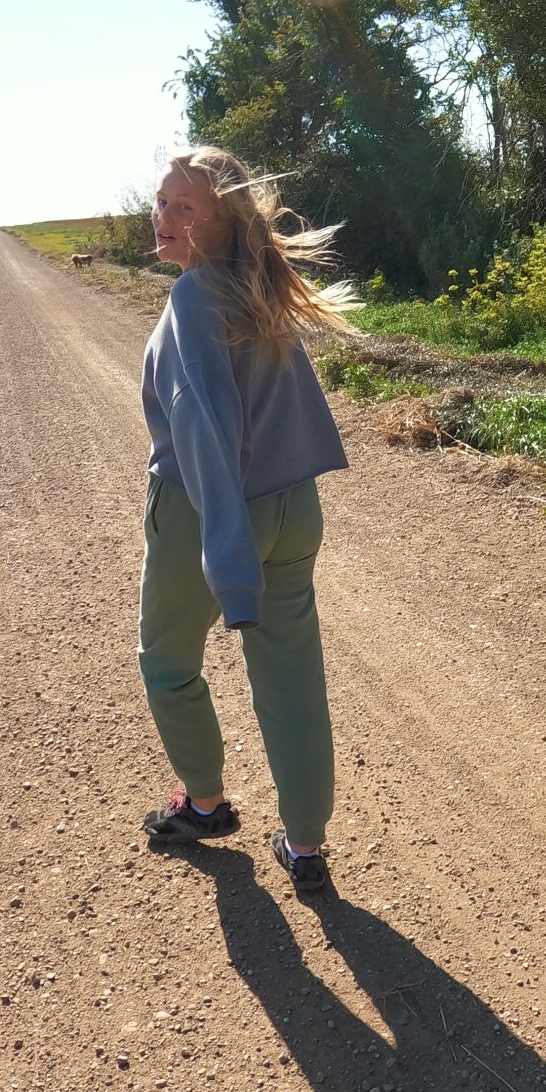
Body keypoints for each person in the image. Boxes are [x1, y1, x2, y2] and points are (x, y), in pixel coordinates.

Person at [134, 146, 354, 894]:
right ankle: (306, 846)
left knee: (166, 663)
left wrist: (228, 563)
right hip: (294, 507)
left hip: (207, 507)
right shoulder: (259, 285)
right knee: (291, 681)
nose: (161, 217)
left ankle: (202, 803)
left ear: (222, 222)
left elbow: (203, 429)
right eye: (161, 201)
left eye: (182, 207)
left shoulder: (195, 298)